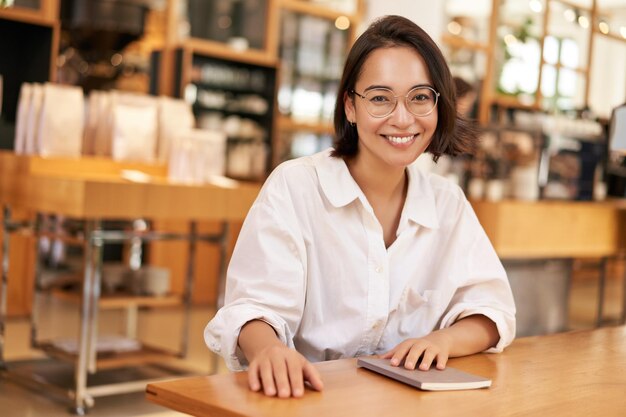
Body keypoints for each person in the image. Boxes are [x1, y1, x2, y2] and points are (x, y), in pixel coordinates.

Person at [205, 15, 516, 399]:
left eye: (419, 97)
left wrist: (442, 342)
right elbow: (252, 308)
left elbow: (492, 313)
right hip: (306, 400)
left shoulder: (447, 202)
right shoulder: (296, 187)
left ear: (439, 104)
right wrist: (270, 350)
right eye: (381, 98)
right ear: (350, 106)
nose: (402, 119)